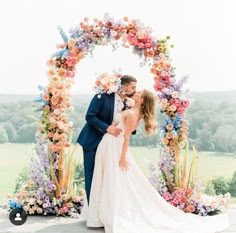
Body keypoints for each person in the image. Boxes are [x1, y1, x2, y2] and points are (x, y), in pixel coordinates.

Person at [85, 89, 229, 233]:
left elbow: (126, 137)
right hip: (109, 144)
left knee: (115, 177)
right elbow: (125, 101)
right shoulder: (132, 107)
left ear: (141, 100)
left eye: (139, 94)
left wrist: (122, 157)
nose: (136, 92)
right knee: (108, 176)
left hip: (115, 147)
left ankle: (112, 212)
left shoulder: (132, 114)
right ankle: (102, 213)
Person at [77, 75, 137, 204]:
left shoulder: (128, 103)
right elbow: (90, 116)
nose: (135, 90)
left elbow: (129, 127)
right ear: (124, 87)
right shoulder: (103, 96)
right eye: (133, 87)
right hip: (92, 141)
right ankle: (92, 211)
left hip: (111, 145)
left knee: (107, 177)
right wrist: (107, 128)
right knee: (92, 176)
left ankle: (104, 210)